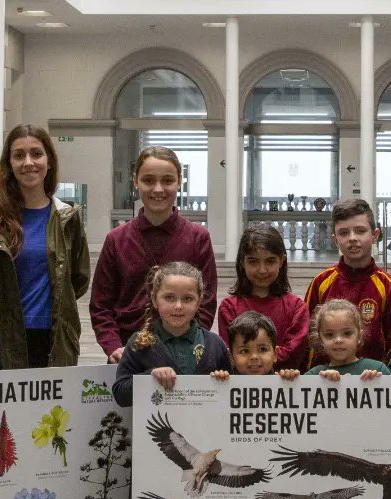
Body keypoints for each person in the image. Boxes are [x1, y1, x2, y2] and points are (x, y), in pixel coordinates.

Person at [0, 124, 90, 369]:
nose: (28, 162)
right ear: (9, 165)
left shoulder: (67, 218)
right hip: (4, 339)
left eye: (36, 153)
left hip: (55, 337)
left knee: (55, 409)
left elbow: (78, 281)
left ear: (49, 161)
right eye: (19, 155)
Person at [90, 146, 218, 364]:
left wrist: (192, 343)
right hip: (129, 354)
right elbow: (101, 305)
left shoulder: (198, 238)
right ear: (135, 181)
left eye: (167, 180)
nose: (158, 189)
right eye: (148, 180)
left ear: (179, 181)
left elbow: (206, 302)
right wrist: (113, 346)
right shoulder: (116, 240)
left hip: (183, 354)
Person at [112, 262, 230, 407]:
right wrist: (151, 376)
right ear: (155, 299)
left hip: (205, 428)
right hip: (158, 428)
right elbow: (120, 395)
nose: (178, 306)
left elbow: (230, 398)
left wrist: (224, 381)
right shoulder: (139, 343)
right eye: (169, 298)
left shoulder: (215, 344)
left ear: (199, 301)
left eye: (187, 299)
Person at [304, 198, 391, 366]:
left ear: (375, 236)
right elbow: (307, 338)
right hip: (324, 382)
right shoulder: (320, 283)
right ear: (335, 239)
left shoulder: (389, 288)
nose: (352, 238)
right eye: (343, 233)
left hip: (371, 382)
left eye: (360, 231)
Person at [217, 224, 308, 370]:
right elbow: (231, 353)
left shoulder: (297, 307)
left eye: (270, 261)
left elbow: (294, 354)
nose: (262, 270)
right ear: (242, 262)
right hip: (242, 389)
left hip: (286, 387)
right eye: (253, 261)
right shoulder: (229, 307)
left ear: (282, 261)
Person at [304, 299, 391, 381]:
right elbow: (295, 395)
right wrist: (291, 380)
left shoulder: (378, 369)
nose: (338, 340)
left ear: (359, 336)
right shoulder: (314, 376)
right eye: (329, 335)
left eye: (347, 333)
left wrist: (377, 383)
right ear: (320, 340)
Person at [209, 311, 302, 380]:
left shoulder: (284, 381)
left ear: (275, 354)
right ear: (231, 357)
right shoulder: (224, 382)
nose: (254, 357)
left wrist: (291, 382)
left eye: (262, 349)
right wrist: (217, 384)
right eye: (244, 351)